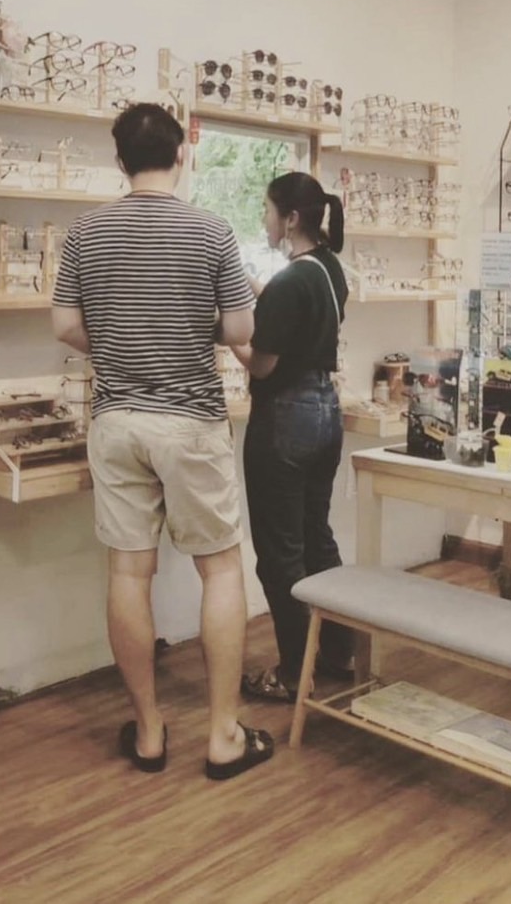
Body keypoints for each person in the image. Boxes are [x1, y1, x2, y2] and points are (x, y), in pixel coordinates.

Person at [52, 102, 274, 780]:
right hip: (191, 421)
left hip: (117, 419)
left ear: (119, 159)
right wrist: (191, 329)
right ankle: (223, 735)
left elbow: (64, 325)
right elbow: (241, 328)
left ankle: (149, 731)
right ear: (182, 155)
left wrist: (118, 344)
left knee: (128, 571)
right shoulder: (211, 230)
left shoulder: (86, 232)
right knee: (222, 569)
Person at [232, 171, 353, 703]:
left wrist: (227, 335)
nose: (264, 220)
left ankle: (291, 672)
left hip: (284, 419)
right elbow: (297, 314)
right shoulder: (328, 269)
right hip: (326, 411)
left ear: (291, 218)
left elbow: (262, 364)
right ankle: (338, 652)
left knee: (279, 552)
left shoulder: (288, 283)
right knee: (316, 537)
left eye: (267, 210)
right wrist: (254, 288)